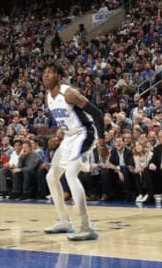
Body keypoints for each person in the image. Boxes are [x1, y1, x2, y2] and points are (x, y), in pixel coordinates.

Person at [42, 61, 104, 241]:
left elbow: (98, 114)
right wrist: (58, 134)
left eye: (50, 72)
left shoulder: (69, 93)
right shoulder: (48, 97)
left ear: (59, 77)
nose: (46, 75)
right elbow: (67, 119)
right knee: (51, 177)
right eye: (44, 72)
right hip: (69, 137)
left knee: (70, 174)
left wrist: (102, 142)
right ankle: (64, 222)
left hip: (85, 133)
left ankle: (87, 226)